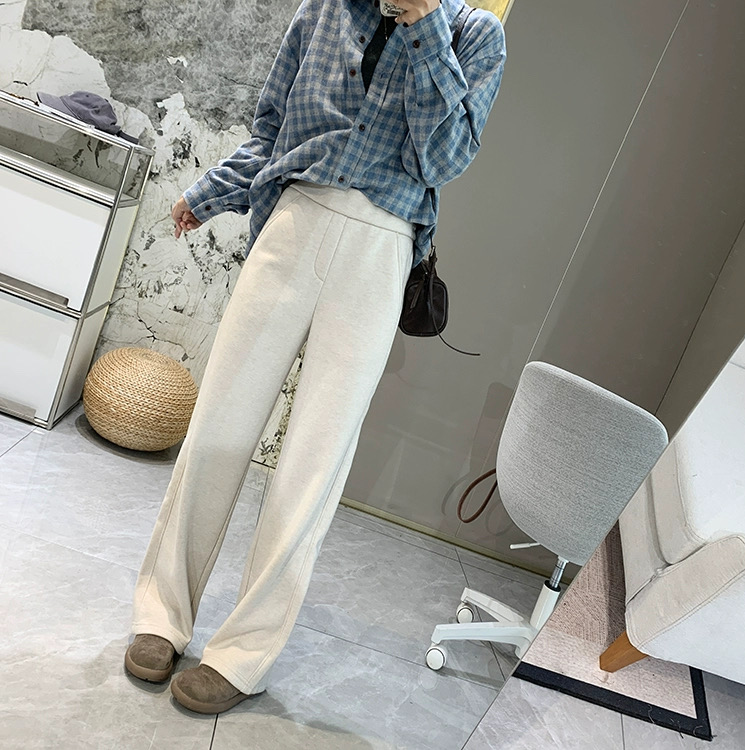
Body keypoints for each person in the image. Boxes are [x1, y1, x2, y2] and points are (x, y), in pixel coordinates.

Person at [124, 0, 506, 715]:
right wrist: (212, 192)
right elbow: (273, 128)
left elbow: (444, 160)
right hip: (294, 221)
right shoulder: (326, 9)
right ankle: (161, 613)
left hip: (382, 244)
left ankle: (243, 655)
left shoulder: (473, 35)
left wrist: (425, 29)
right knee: (218, 427)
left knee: (314, 461)